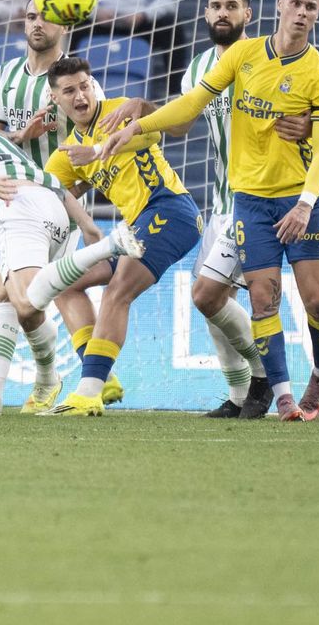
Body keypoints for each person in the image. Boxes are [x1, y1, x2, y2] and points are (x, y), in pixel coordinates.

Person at [104, 0, 319, 422]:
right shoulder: (227, 61)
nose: (301, 13)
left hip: (295, 198)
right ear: (280, 4)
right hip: (240, 201)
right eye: (296, 3)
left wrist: (306, 194)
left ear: (249, 12)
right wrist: (140, 122)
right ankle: (269, 394)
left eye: (310, 7)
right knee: (229, 297)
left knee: (314, 302)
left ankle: (313, 375)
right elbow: (187, 111)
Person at [0, 1, 121, 415]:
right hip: (2, 196)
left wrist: (72, 190)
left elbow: (98, 144)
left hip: (56, 203)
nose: (38, 24)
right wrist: (23, 135)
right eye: (31, 16)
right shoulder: (7, 73)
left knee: (26, 294)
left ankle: (81, 376)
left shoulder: (78, 81)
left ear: (66, 24)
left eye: (47, 17)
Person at [23, 55, 198, 417]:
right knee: (66, 285)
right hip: (134, 229)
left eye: (84, 86)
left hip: (170, 211)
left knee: (118, 290)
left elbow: (154, 132)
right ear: (55, 99)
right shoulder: (67, 153)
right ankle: (102, 377)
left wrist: (98, 151)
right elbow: (43, 193)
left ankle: (88, 392)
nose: (80, 96)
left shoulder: (120, 110)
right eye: (69, 91)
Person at [0, 127, 111, 416]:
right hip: (54, 207)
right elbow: (53, 185)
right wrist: (89, 226)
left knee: (26, 302)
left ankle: (9, 391)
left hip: (14, 209)